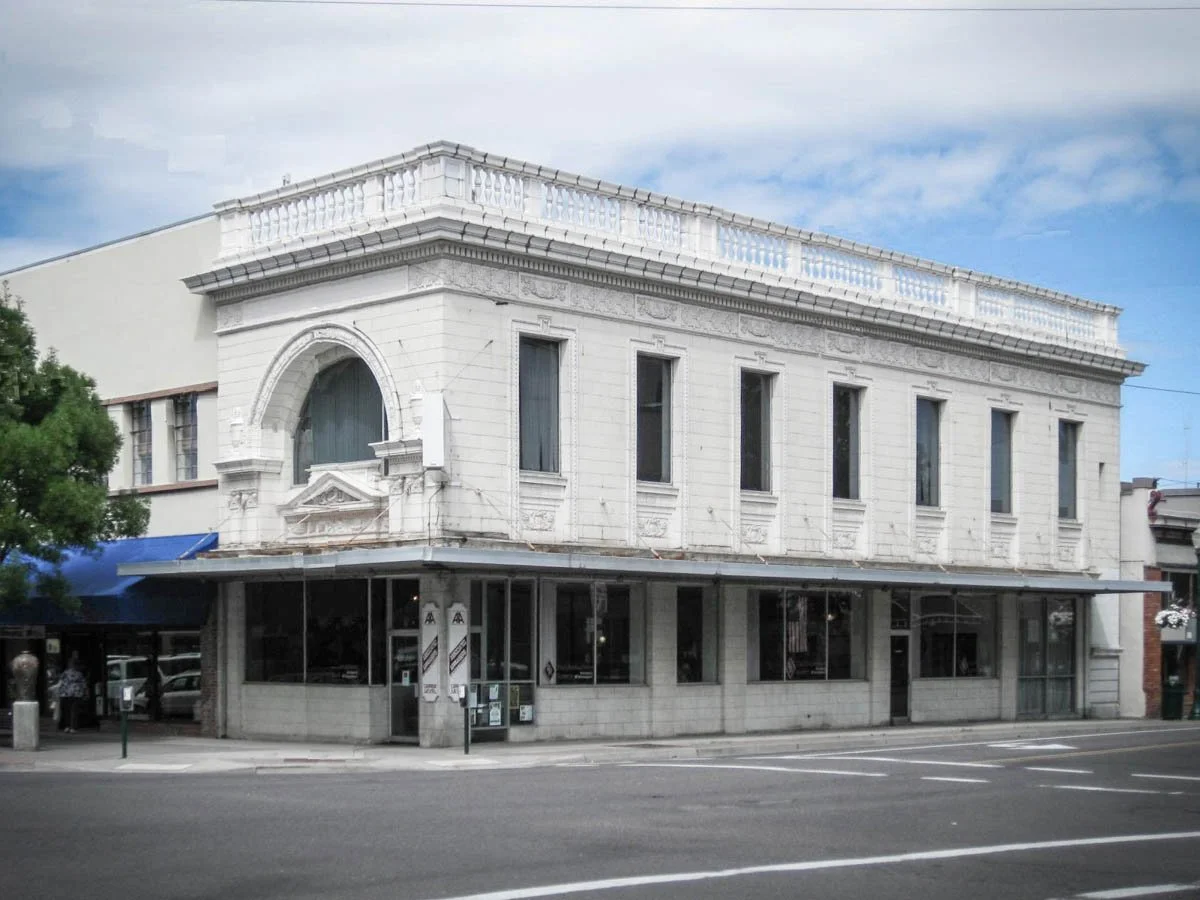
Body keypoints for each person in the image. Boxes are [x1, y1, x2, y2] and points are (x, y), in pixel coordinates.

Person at [58, 656, 87, 733]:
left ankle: (67, 726)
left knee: (67, 711)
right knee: (74, 710)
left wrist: (58, 691)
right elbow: (84, 685)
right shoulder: (79, 674)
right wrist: (85, 692)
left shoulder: (65, 673)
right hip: (76, 693)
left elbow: (60, 683)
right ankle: (73, 727)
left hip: (66, 693)